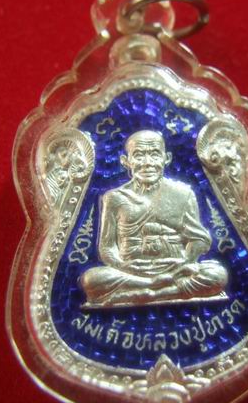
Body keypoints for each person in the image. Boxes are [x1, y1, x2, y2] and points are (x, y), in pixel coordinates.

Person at [80, 130, 228, 307]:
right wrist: (122, 266)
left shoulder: (183, 194)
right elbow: (107, 247)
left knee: (217, 275)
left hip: (175, 268)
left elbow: (199, 239)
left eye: (155, 154)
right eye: (139, 155)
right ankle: (153, 286)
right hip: (131, 271)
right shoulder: (114, 198)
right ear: (126, 161)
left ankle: (148, 294)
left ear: (166, 158)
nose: (147, 163)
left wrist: (185, 262)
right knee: (91, 279)